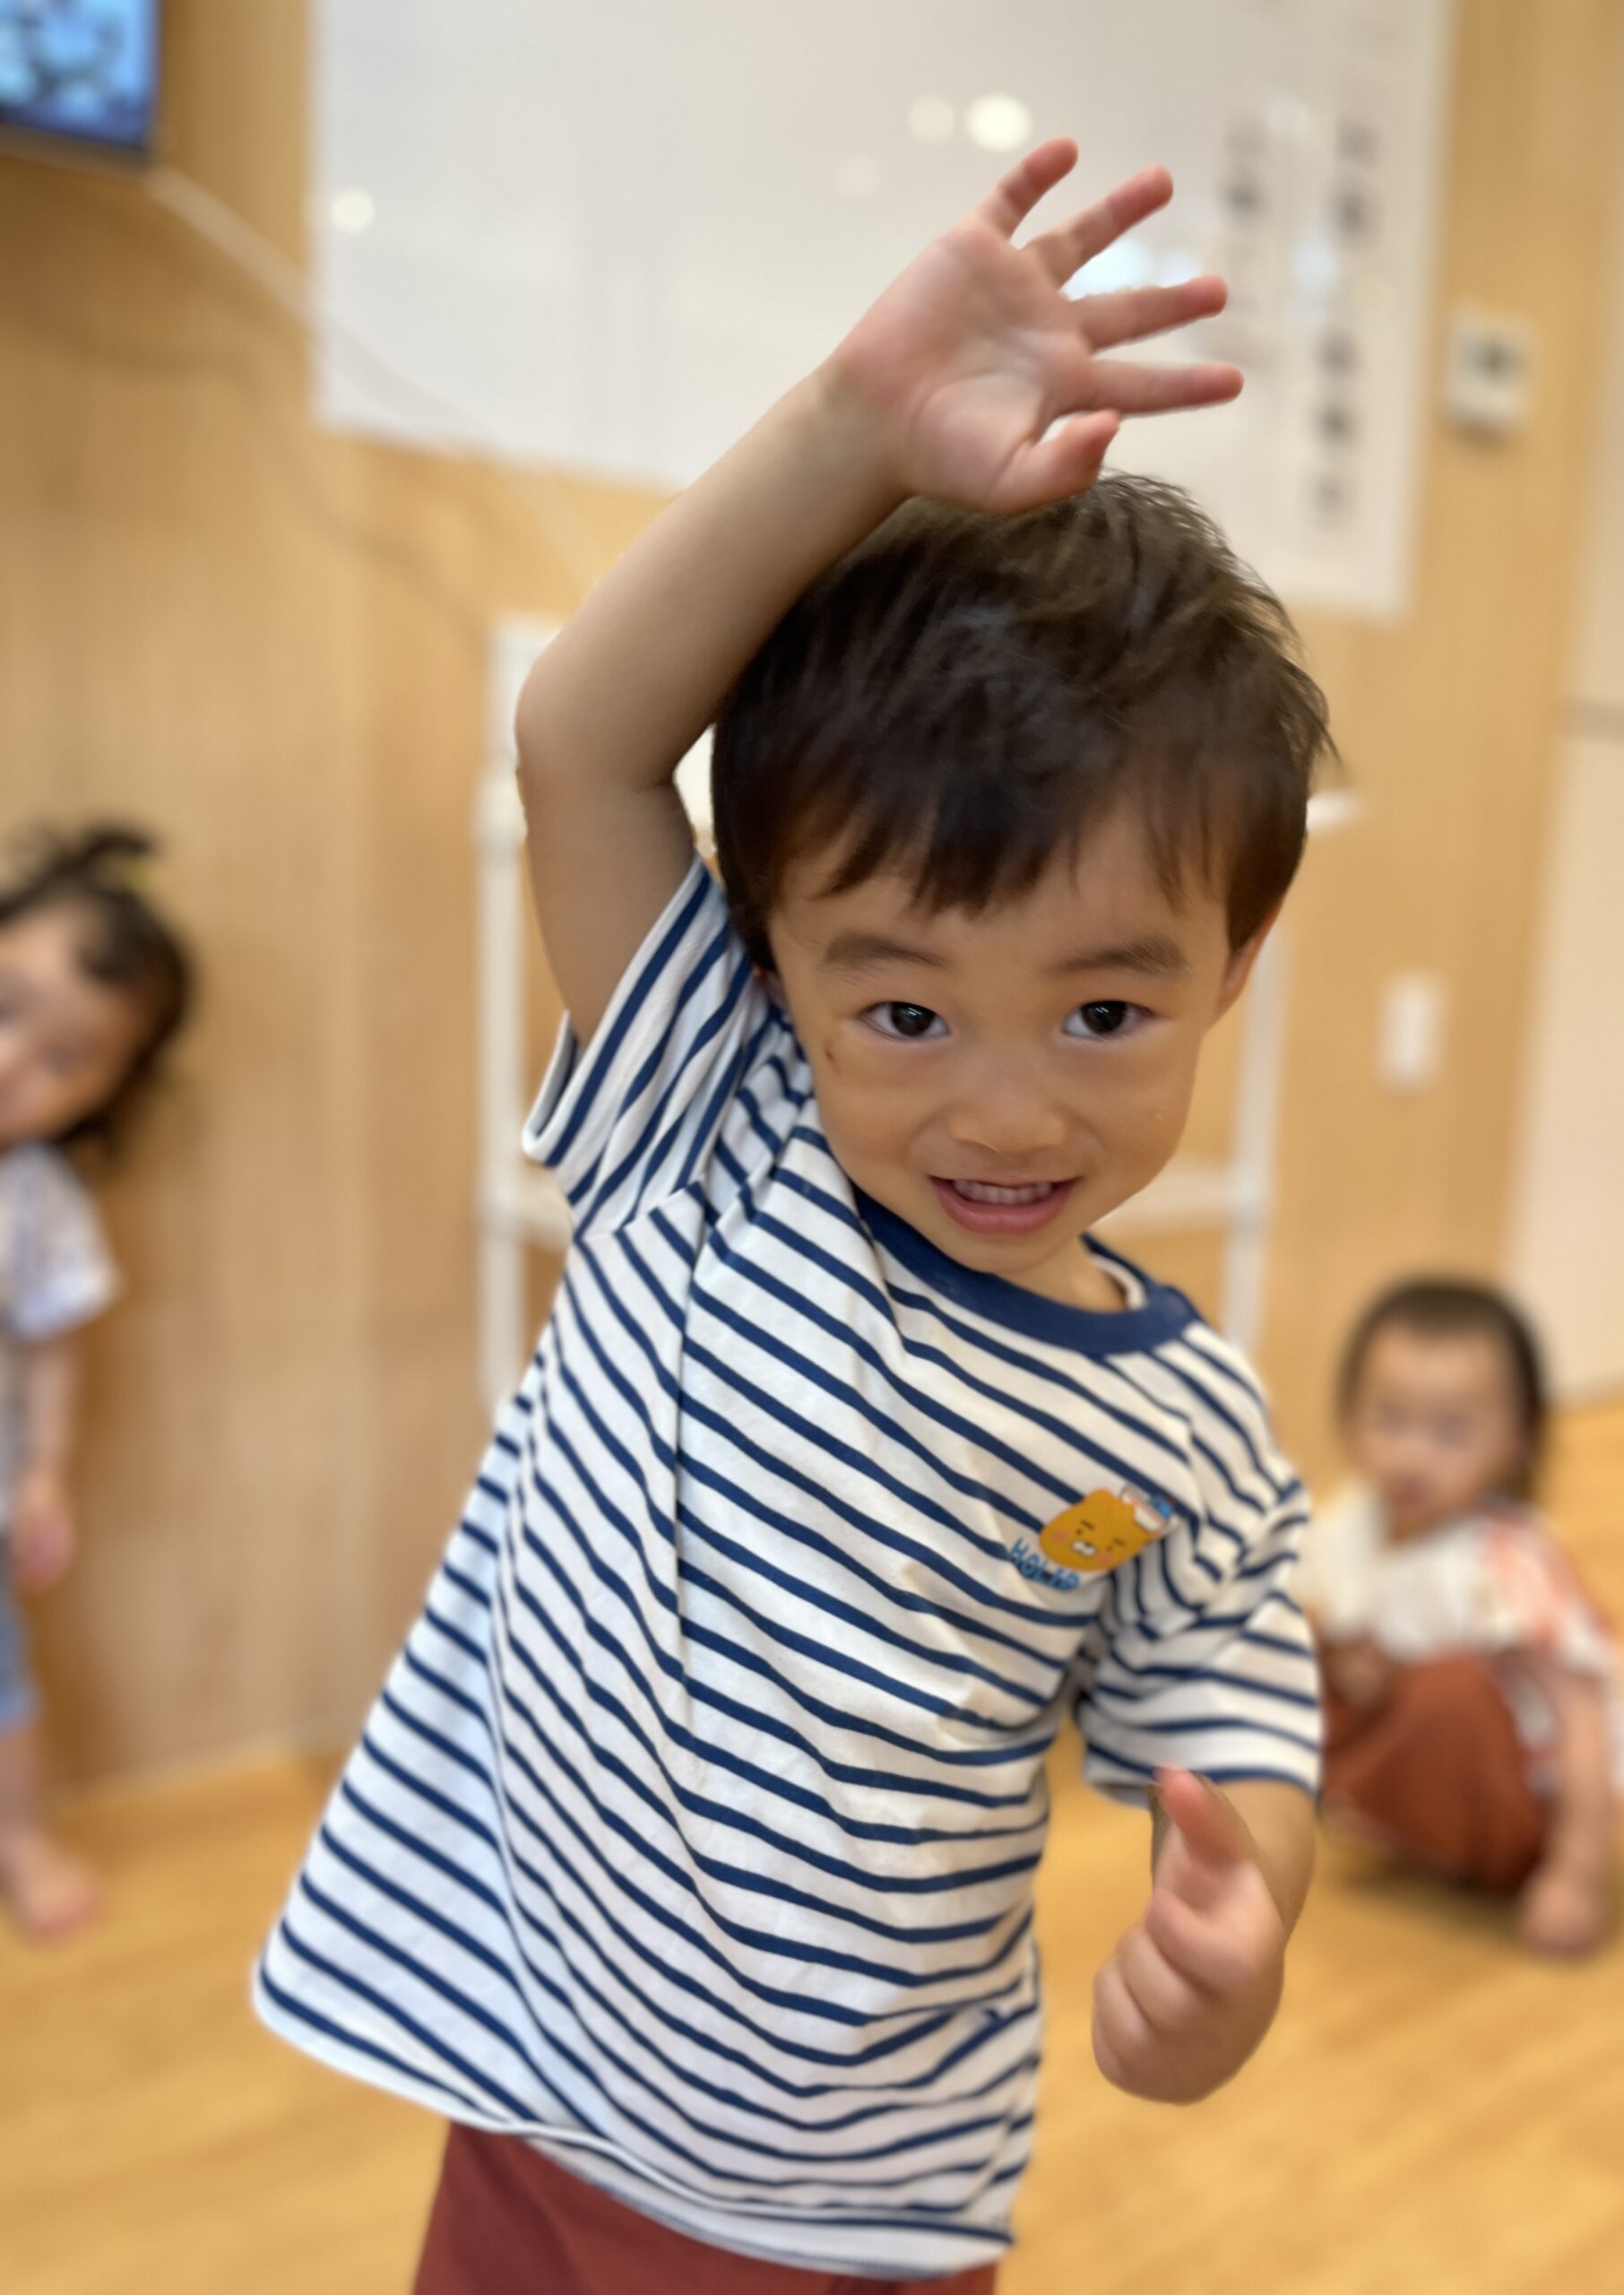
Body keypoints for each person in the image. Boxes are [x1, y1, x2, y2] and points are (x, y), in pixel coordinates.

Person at [256, 143, 1332, 2290]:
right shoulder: (712, 1121)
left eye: (1105, 1004)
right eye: (907, 1002)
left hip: (823, 2211)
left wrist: (1245, 1913)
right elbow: (581, 734)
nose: (1002, 1104)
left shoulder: (1165, 1432)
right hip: (527, 2068)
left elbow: (1223, 1691)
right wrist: (851, 428)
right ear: (776, 964)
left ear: (1231, 963)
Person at [1302, 1278, 1624, 1957]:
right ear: (1350, 1411)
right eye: (1389, 1418)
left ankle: (1421, 1825)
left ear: (1516, 1443)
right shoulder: (1355, 1517)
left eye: (1451, 1431)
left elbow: (1585, 1722)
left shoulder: (1506, 1567)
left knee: (1449, 1690)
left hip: (1524, 1804)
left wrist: (1577, 1877)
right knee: (1297, 1633)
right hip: (1410, 1734)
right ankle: (1366, 1797)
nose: (1412, 1453)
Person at [0, 824, 194, 1939]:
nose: (17, 1063)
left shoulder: (38, 1199)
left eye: (68, 1057)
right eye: (4, 1007)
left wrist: (45, 1477)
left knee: (4, 1689)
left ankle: (23, 1836)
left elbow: (51, 1346)